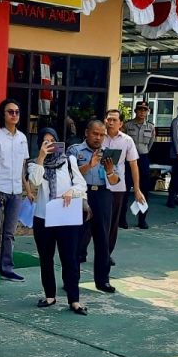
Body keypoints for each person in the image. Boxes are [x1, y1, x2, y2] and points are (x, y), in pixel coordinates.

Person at [28, 127, 88, 314]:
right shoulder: (34, 164)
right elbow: (35, 182)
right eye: (45, 142)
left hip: (66, 216)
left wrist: (71, 191)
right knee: (46, 258)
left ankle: (74, 300)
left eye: (52, 141)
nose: (49, 145)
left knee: (69, 258)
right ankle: (50, 295)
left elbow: (81, 184)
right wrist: (41, 157)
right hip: (44, 218)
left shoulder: (68, 161)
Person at [0, 98, 30, 282]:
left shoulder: (23, 138)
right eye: (10, 111)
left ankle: (7, 268)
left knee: (10, 233)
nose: (14, 115)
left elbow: (23, 168)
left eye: (17, 112)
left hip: (16, 191)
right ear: (3, 114)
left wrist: (28, 190)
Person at [73, 120, 116, 293]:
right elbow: (71, 173)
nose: (98, 138)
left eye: (102, 135)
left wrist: (110, 171)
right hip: (82, 194)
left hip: (103, 194)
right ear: (86, 132)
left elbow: (115, 180)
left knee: (103, 239)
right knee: (77, 239)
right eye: (95, 134)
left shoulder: (109, 153)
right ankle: (71, 279)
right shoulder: (75, 150)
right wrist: (89, 164)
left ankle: (102, 280)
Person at [103, 109, 145, 255]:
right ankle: (82, 251)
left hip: (117, 186)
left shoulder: (127, 140)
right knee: (93, 219)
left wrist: (137, 189)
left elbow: (134, 165)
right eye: (109, 119)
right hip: (98, 184)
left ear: (121, 123)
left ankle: (107, 253)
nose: (111, 122)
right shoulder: (98, 137)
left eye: (115, 120)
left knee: (113, 222)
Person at [121, 103, 155, 229]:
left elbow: (151, 143)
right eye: (140, 110)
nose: (142, 112)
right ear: (135, 111)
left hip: (143, 158)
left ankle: (142, 219)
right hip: (129, 159)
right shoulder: (128, 125)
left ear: (148, 112)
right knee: (125, 189)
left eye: (144, 110)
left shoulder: (150, 127)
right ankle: (122, 219)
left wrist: (143, 153)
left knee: (144, 189)